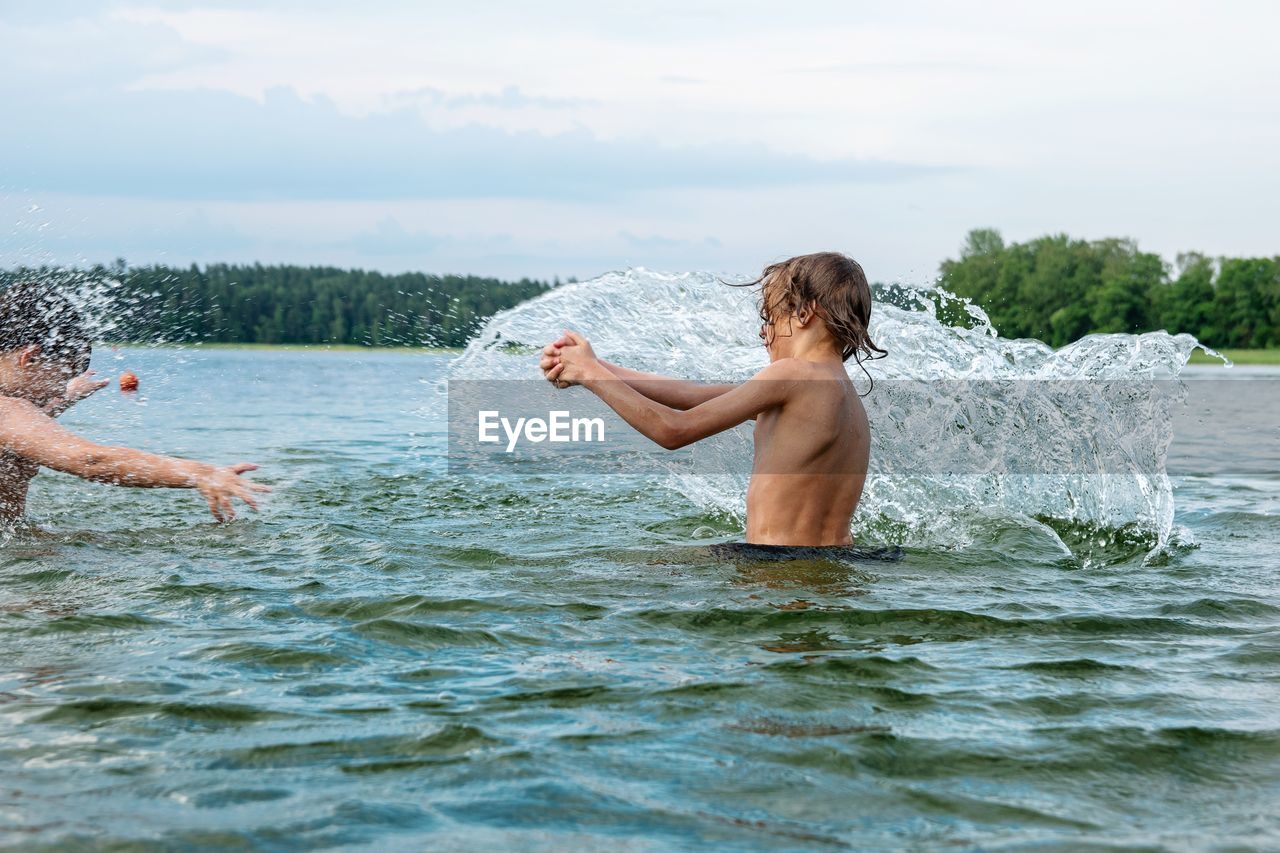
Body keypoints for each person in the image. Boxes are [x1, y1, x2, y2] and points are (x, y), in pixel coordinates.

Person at [540, 252, 885, 546]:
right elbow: (689, 395)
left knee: (628, 569)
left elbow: (672, 430)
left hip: (778, 567)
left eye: (770, 316)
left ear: (805, 313)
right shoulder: (843, 395)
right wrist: (593, 363)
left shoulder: (792, 374)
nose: (764, 334)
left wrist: (590, 375)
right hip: (834, 565)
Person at [0, 281, 268, 524]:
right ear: (31, 358)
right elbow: (90, 461)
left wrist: (67, 398)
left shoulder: (12, 413)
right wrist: (202, 473)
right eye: (62, 378)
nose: (58, 389)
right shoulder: (9, 409)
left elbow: (21, 431)